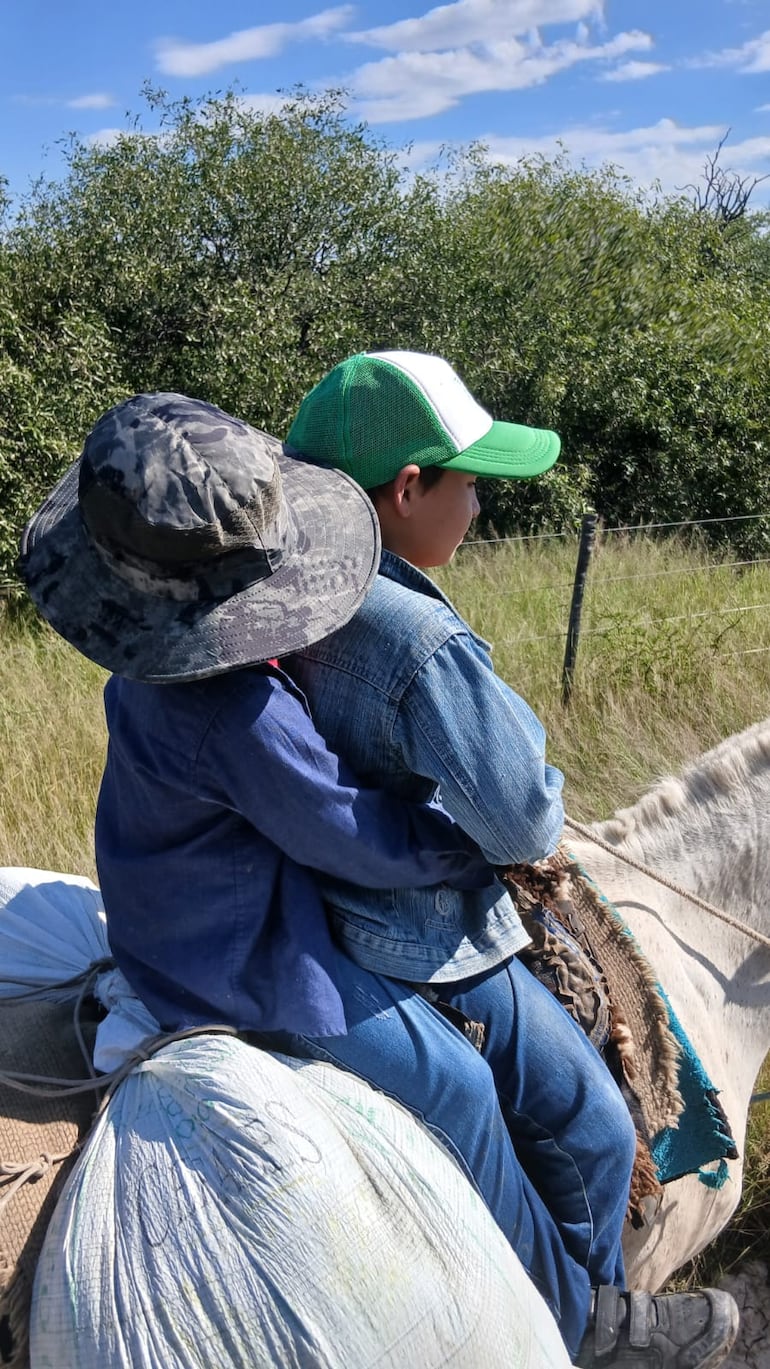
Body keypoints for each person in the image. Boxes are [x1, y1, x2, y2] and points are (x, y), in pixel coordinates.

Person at [20, 391, 599, 1345]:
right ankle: (576, 1319)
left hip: (163, 927)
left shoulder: (142, 668)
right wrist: (465, 846)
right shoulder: (238, 712)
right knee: (454, 1084)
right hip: (248, 966)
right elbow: (349, 835)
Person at [284, 350, 739, 1369]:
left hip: (295, 900)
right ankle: (590, 1325)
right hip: (412, 934)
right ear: (407, 489)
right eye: (469, 481)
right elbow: (524, 822)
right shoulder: (417, 639)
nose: (480, 506)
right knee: (589, 1123)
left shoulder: (285, 594)